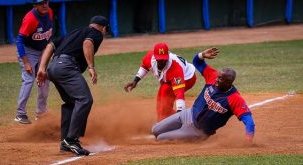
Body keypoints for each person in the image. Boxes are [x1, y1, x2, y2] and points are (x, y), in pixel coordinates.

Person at [36, 15, 109, 156]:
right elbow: (88, 44)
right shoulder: (96, 33)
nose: (104, 33)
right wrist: (91, 67)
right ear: (103, 28)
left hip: (53, 69)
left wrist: (42, 68)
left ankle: (65, 142)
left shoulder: (73, 33)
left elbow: (50, 45)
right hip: (66, 67)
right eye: (105, 30)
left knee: (71, 102)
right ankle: (72, 139)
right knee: (85, 99)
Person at [152, 48, 255, 143]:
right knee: (155, 130)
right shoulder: (213, 76)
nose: (217, 80)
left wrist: (248, 140)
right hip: (187, 114)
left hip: (197, 131)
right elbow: (197, 62)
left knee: (161, 138)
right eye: (218, 77)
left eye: (220, 79)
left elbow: (249, 122)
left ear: (229, 83)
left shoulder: (234, 99)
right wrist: (202, 55)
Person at [124, 43, 197, 121]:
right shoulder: (150, 58)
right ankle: (163, 118)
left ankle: (180, 118)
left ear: (168, 56)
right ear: (154, 57)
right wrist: (135, 81)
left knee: (165, 92)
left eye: (164, 59)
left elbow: (179, 93)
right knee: (161, 97)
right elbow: (145, 66)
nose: (162, 62)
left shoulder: (175, 68)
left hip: (188, 78)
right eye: (159, 59)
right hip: (170, 78)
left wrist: (180, 112)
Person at [15, 0, 53, 124]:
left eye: (46, 2)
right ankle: (20, 114)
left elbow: (47, 35)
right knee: (29, 79)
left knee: (44, 79)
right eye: (41, 3)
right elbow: (19, 41)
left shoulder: (49, 12)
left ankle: (41, 113)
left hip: (42, 50)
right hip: (28, 51)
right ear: (35, 5)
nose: (44, 5)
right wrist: (26, 62)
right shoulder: (30, 19)